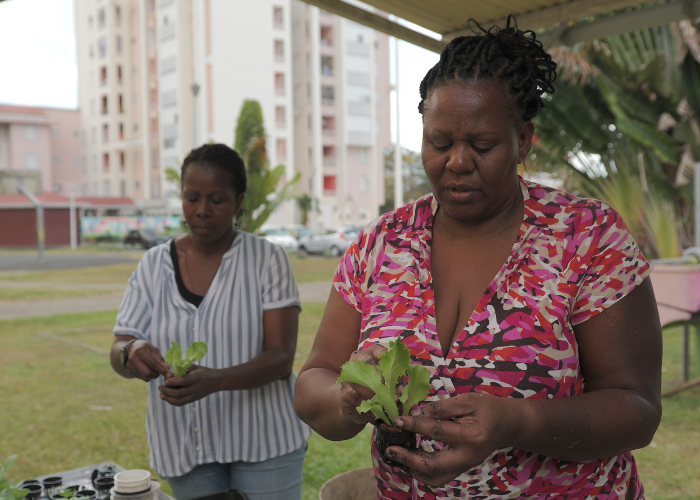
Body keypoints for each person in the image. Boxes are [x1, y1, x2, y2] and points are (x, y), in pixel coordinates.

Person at [294, 17, 662, 500]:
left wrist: (518, 421)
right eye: (439, 142)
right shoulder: (383, 243)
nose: (457, 161)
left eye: (482, 145)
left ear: (523, 139)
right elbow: (313, 378)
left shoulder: (587, 237)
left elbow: (636, 409)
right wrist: (344, 399)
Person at [110, 144, 311, 500]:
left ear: (238, 201)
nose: (202, 211)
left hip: (265, 442)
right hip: (186, 448)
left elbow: (280, 358)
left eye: (216, 199)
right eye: (192, 198)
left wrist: (216, 380)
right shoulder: (154, 264)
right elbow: (119, 347)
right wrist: (130, 351)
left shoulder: (267, 260)